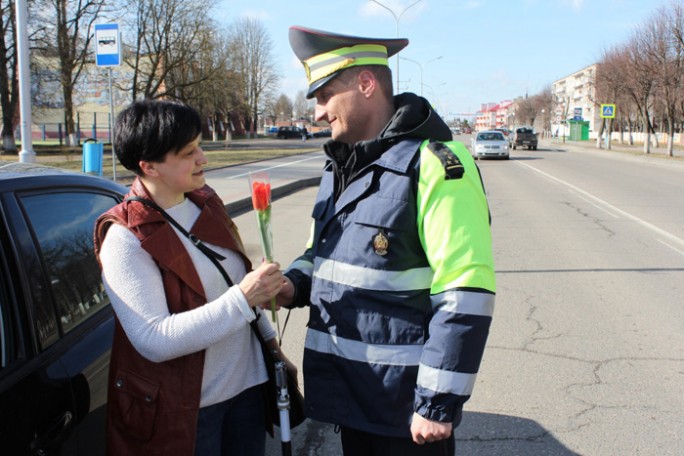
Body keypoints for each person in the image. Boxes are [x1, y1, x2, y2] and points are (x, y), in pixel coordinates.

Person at [276, 26, 496, 455]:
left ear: (365, 83)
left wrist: (437, 402)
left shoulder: (436, 164)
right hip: (353, 399)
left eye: (324, 96)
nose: (318, 113)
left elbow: (465, 290)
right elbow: (319, 254)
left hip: (407, 413)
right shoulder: (340, 166)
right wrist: (292, 284)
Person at [94, 100, 293, 456]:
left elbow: (235, 288)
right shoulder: (124, 237)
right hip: (188, 411)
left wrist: (273, 346)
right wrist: (244, 298)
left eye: (199, 145)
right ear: (149, 166)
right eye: (188, 152)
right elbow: (155, 340)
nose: (203, 158)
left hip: (247, 391)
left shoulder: (206, 203)